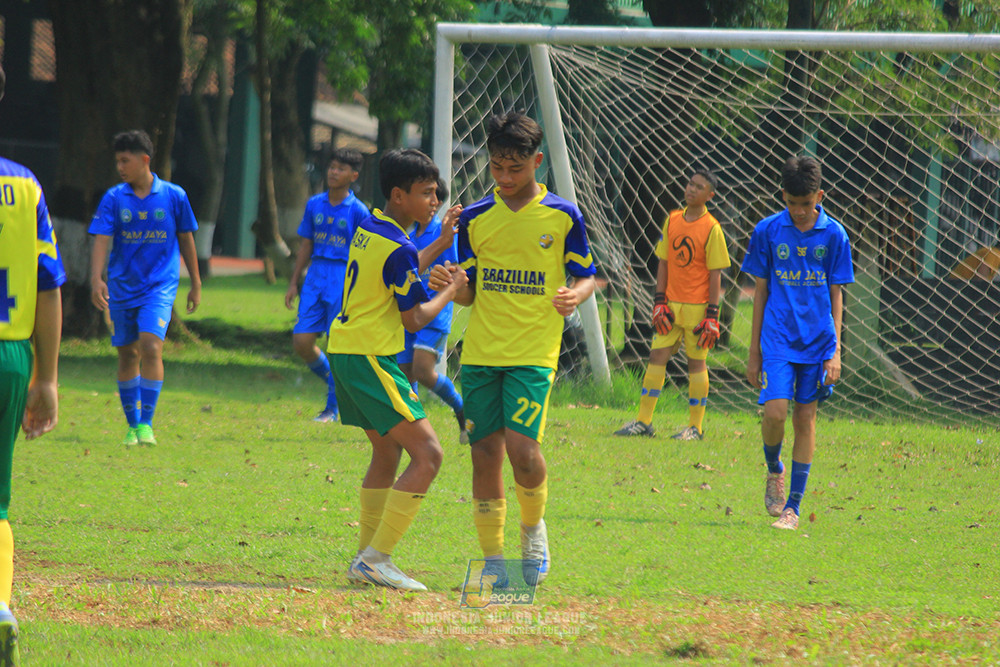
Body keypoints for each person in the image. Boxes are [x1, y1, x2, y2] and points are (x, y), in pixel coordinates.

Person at [438, 111, 596, 587]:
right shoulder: (475, 217)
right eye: (497, 168)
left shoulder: (563, 216)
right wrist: (452, 284)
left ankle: (533, 530)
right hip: (483, 353)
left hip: (534, 352)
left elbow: (587, 274)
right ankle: (493, 559)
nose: (504, 179)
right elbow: (469, 292)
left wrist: (576, 295)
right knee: (484, 453)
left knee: (523, 452)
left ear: (537, 162)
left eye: (516, 169)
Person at [333, 148, 467, 591]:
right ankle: (376, 559)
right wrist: (452, 290)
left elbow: (401, 264)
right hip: (371, 356)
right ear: (398, 194)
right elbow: (414, 318)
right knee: (429, 454)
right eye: (426, 193)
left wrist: (439, 245)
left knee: (388, 451)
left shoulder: (373, 226)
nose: (434, 201)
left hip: (348, 350)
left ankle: (365, 557)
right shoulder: (399, 246)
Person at [741, 156, 854, 530]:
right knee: (774, 413)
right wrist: (754, 351)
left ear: (819, 196)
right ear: (783, 197)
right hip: (777, 338)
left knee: (805, 418)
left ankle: (793, 507)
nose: (799, 211)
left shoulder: (834, 235)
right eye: (792, 202)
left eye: (806, 203)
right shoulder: (768, 231)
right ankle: (774, 467)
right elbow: (760, 292)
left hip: (818, 341)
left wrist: (835, 350)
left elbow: (836, 293)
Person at [0, 62, 66, 665]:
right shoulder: (24, 186)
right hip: (10, 357)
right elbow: (49, 286)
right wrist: (46, 375)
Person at [89, 130, 201, 447]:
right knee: (127, 355)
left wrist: (195, 281)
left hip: (159, 286)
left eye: (125, 160)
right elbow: (101, 238)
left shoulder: (174, 196)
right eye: (117, 161)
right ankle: (132, 424)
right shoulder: (114, 198)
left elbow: (186, 237)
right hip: (123, 287)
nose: (120, 167)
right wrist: (97, 278)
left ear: (144, 160)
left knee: (151, 346)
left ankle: (147, 424)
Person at [614, 169, 731, 440]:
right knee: (656, 357)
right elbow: (663, 262)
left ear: (709, 196)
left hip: (698, 309)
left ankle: (695, 427)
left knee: (695, 364)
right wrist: (659, 301)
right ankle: (643, 422)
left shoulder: (712, 228)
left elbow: (716, 274)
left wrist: (712, 315)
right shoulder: (672, 220)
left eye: (699, 187)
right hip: (670, 306)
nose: (691, 189)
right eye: (690, 183)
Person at [285, 148, 370, 422]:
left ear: (353, 175)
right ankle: (336, 384)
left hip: (343, 278)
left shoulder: (358, 210)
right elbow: (306, 243)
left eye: (341, 169)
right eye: (332, 167)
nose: (334, 172)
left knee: (336, 345)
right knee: (302, 341)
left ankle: (332, 409)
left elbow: (364, 251)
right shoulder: (314, 204)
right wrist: (294, 281)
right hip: (315, 275)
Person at [397, 178, 467, 443]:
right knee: (404, 372)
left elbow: (456, 272)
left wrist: (446, 277)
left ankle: (461, 409)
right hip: (410, 311)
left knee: (423, 370)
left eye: (432, 197)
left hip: (435, 312)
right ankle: (411, 425)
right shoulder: (410, 235)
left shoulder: (444, 231)